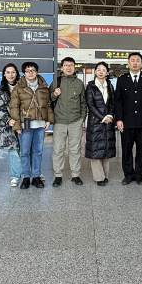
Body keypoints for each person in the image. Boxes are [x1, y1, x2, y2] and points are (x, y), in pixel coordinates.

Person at [10, 61, 54, 190]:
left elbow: (48, 105)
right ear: (24, 73)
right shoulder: (18, 88)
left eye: (33, 70)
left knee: (38, 152)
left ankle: (36, 177)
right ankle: (25, 177)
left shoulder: (43, 87)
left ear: (36, 72)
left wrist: (49, 120)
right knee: (24, 152)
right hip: (25, 124)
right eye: (27, 70)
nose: (30, 73)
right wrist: (17, 125)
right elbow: (14, 107)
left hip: (40, 125)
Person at [115, 52, 142, 185]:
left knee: (141, 150)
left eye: (138, 60)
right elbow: (118, 102)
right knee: (126, 149)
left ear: (141, 63)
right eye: (132, 60)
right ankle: (128, 175)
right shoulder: (122, 80)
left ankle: (139, 174)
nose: (135, 63)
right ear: (128, 63)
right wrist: (119, 119)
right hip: (126, 122)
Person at [50, 57, 87, 187]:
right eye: (66, 65)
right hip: (59, 121)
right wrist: (54, 94)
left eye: (71, 65)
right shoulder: (56, 81)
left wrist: (82, 118)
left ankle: (75, 175)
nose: (69, 68)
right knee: (58, 149)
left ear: (74, 67)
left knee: (75, 149)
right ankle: (58, 176)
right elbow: (48, 100)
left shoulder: (79, 83)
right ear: (62, 67)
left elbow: (83, 102)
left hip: (75, 121)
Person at [85, 62, 116, 186]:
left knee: (106, 149)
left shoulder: (110, 86)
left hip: (108, 121)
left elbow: (113, 102)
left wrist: (110, 116)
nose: (101, 72)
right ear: (95, 72)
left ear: (107, 72)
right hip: (95, 122)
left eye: (104, 70)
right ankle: (99, 177)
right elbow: (90, 105)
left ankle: (105, 175)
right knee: (95, 149)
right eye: (99, 69)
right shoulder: (90, 86)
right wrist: (103, 117)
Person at [0, 63, 21, 187]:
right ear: (4, 74)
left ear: (17, 74)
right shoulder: (0, 91)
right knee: (14, 151)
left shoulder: (23, 87)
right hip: (9, 125)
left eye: (13, 72)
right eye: (8, 72)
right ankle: (15, 176)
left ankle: (31, 173)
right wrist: (8, 120)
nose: (11, 75)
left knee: (27, 149)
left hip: (23, 123)